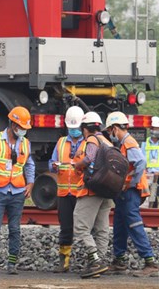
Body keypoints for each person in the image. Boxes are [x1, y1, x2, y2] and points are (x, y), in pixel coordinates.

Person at [0, 106, 35, 276]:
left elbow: (29, 164)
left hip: (17, 192)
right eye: (21, 127)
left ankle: (12, 263)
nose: (23, 131)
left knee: (15, 229)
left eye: (25, 128)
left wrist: (30, 183)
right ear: (12, 124)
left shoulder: (25, 143)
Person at [106, 112, 159, 277]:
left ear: (115, 129)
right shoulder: (124, 144)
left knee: (134, 224)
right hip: (125, 192)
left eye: (110, 131)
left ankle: (150, 262)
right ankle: (119, 260)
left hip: (131, 191)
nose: (110, 134)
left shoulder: (128, 142)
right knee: (120, 224)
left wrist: (130, 182)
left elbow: (141, 162)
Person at [72, 111, 114, 279]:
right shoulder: (107, 141)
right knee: (102, 227)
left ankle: (95, 260)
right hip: (107, 189)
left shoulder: (92, 139)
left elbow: (89, 158)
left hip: (93, 189)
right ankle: (100, 262)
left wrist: (77, 165)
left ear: (85, 129)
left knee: (81, 225)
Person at [48, 106, 85, 273]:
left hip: (81, 193)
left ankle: (91, 259)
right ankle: (64, 261)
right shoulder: (61, 142)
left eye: (76, 128)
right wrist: (54, 166)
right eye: (71, 128)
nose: (74, 131)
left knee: (85, 227)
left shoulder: (87, 143)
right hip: (64, 193)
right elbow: (51, 162)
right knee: (66, 227)